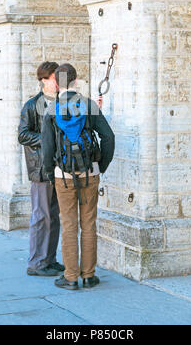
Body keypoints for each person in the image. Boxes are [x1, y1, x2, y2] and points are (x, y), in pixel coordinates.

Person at [42, 63, 115, 290]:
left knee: (69, 224)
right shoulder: (89, 105)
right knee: (89, 223)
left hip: (62, 176)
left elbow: (47, 148)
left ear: (56, 83)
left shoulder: (51, 109)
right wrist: (100, 165)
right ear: (75, 81)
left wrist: (49, 171)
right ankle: (89, 275)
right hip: (90, 173)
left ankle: (71, 276)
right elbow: (109, 137)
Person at [18, 61, 65, 277]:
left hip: (58, 167)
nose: (58, 83)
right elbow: (23, 134)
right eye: (55, 78)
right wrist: (47, 139)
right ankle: (36, 263)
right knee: (41, 215)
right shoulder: (31, 105)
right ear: (44, 80)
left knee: (53, 215)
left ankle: (49, 259)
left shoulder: (62, 102)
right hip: (40, 169)